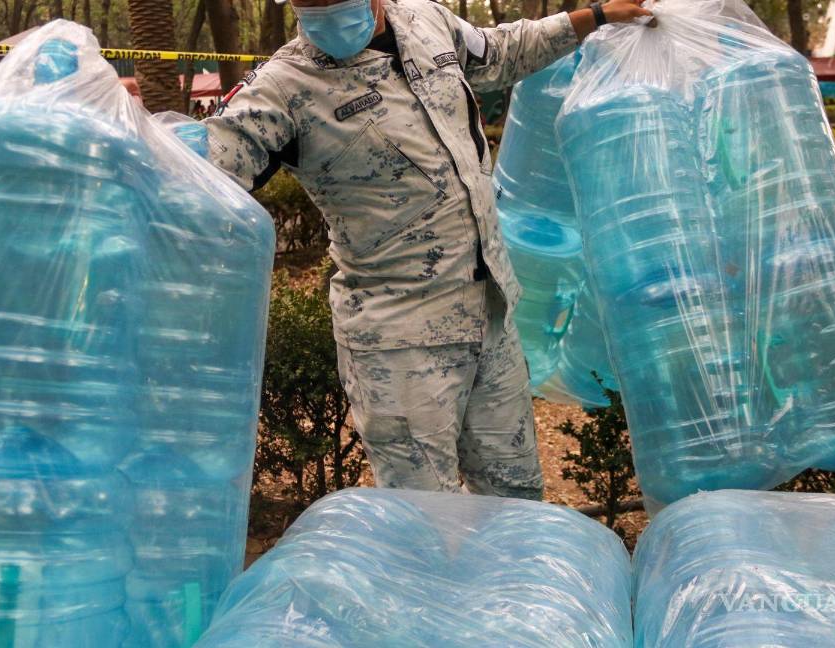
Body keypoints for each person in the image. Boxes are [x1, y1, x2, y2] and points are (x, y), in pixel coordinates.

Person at [204, 0, 652, 500]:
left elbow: (502, 51)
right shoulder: (280, 89)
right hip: (401, 343)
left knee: (516, 496)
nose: (325, 10)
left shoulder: (427, 22)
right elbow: (195, 177)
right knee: (424, 516)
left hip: (491, 315)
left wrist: (595, 15)